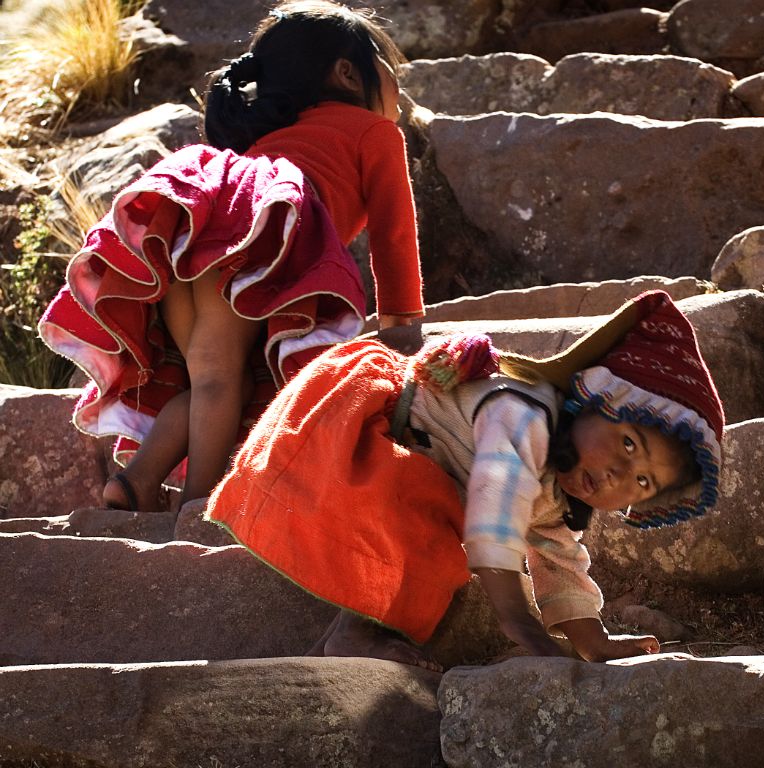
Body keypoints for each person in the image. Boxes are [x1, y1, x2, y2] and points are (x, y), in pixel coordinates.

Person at [206, 290, 726, 669]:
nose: (618, 474)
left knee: (439, 509)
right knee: (438, 516)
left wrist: (592, 642)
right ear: (591, 396)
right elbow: (495, 518)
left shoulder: (562, 489)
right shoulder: (524, 417)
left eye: (641, 485)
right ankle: (356, 631)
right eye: (629, 444)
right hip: (355, 423)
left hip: (402, 458)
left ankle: (348, 636)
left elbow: (559, 558)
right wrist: (520, 623)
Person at [38, 1, 424, 512]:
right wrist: (402, 322)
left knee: (216, 380)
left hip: (190, 229)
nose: (397, 77)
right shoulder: (374, 132)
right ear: (349, 74)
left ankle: (136, 480)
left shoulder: (265, 139)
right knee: (221, 377)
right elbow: (393, 234)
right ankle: (200, 507)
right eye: (385, 62)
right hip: (247, 241)